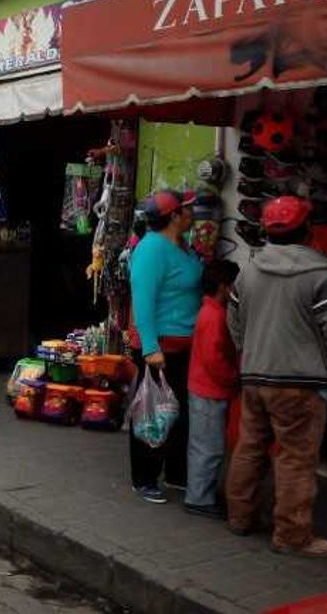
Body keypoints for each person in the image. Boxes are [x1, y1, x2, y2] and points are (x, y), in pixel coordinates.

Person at [225, 196, 327, 557]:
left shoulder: (249, 271)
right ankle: (292, 536)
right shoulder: (320, 275)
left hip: (255, 375)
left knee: (250, 447)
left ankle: (240, 517)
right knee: (296, 458)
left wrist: (249, 350)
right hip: (300, 382)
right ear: (307, 230)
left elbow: (234, 321)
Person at [128, 189, 202, 504]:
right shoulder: (152, 249)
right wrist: (150, 347)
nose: (192, 211)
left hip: (186, 345)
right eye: (187, 208)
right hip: (160, 347)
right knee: (154, 413)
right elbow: (142, 301)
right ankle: (144, 478)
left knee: (179, 413)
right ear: (174, 216)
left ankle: (175, 473)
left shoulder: (183, 246)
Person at [184, 259, 240, 519]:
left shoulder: (210, 311)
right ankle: (199, 498)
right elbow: (214, 359)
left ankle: (200, 493)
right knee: (208, 448)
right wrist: (233, 378)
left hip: (205, 388)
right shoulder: (214, 316)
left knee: (205, 445)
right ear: (224, 286)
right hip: (209, 390)